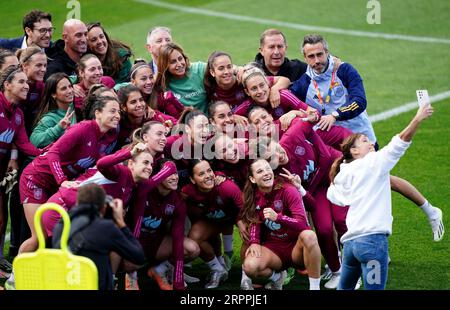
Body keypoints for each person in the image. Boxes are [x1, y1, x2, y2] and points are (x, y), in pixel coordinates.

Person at [291, 34, 444, 242]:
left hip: (360, 141)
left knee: (380, 184)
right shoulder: (304, 82)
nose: (317, 60)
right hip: (332, 143)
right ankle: (341, 250)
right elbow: (288, 99)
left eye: (320, 54)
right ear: (305, 57)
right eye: (311, 56)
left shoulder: (344, 70)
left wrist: (335, 116)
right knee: (345, 189)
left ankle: (428, 211)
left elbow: (359, 101)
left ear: (327, 52)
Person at [327, 104, 438, 290]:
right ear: (354, 151)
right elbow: (400, 142)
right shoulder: (373, 163)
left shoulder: (342, 174)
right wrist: (418, 118)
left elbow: (334, 196)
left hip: (350, 247)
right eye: (364, 141)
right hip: (372, 245)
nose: (370, 143)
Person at [18, 94, 120, 254]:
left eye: (119, 111)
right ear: (98, 113)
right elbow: (54, 153)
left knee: (53, 237)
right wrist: (62, 180)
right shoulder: (84, 128)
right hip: (36, 178)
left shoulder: (104, 138)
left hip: (54, 183)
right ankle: (14, 277)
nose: (117, 115)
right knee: (39, 236)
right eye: (112, 111)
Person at [240, 159, 321, 290]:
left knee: (309, 235)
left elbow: (303, 225)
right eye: (260, 171)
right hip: (274, 249)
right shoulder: (253, 195)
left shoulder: (288, 190)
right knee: (250, 267)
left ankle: (314, 287)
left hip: (296, 249)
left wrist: (278, 217)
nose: (266, 173)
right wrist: (254, 240)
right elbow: (255, 220)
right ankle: (276, 277)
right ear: (253, 179)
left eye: (267, 169)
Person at [52, 183, 146, 290]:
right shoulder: (105, 228)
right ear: (103, 207)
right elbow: (139, 257)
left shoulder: (60, 226)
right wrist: (120, 222)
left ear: (77, 203)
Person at [0, 65, 42, 277]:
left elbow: (25, 145)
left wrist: (49, 151)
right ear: (7, 85)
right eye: (21, 82)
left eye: (27, 82)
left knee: (0, 219)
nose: (27, 86)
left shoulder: (17, 114)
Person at [182, 159, 245, 289]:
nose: (208, 176)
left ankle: (247, 274)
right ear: (193, 180)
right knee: (195, 236)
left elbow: (244, 209)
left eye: (209, 171)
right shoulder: (187, 191)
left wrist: (239, 222)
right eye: (201, 174)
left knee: (248, 231)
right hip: (213, 221)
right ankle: (218, 268)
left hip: (233, 217)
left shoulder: (227, 186)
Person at [153, 43, 208, 113]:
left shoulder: (199, 69)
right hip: (182, 123)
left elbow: (216, 66)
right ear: (164, 65)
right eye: (173, 62)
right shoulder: (161, 83)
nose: (179, 64)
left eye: (180, 59)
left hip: (209, 120)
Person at [30, 73, 76, 148]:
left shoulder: (72, 107)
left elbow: (77, 77)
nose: (70, 91)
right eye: (64, 88)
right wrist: (58, 128)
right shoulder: (49, 118)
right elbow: (34, 141)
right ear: (53, 94)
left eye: (70, 86)